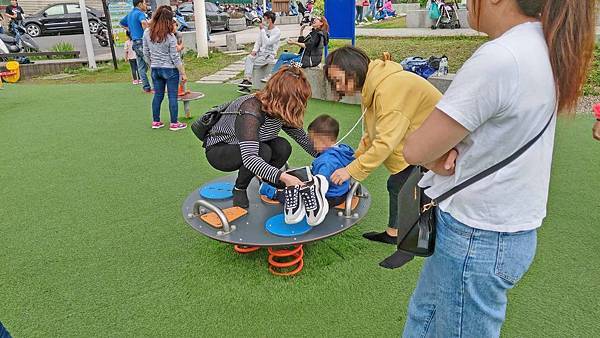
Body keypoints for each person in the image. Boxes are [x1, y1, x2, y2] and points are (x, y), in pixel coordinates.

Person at [401, 0, 595, 336]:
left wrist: (433, 155)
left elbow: (416, 149)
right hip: (502, 228)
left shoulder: (501, 57)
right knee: (425, 319)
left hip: (476, 235)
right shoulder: (544, 44)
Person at [324, 47, 442, 267]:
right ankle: (394, 232)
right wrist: (354, 161)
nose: (337, 87)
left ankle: (412, 246)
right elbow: (371, 134)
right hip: (418, 140)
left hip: (439, 144)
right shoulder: (373, 87)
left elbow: (384, 142)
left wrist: (351, 171)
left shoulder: (389, 89)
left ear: (353, 70)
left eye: (338, 80)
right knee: (398, 184)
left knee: (412, 188)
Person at [203, 65, 317, 208]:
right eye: (297, 100)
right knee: (262, 152)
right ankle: (239, 188)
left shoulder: (281, 109)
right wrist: (284, 177)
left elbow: (303, 138)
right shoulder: (250, 109)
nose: (300, 105)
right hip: (220, 150)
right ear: (283, 97)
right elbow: (250, 158)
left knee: (283, 146)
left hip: (254, 145)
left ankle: (267, 181)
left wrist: (328, 154)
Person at [260, 114, 355, 207]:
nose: (312, 145)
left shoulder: (327, 161)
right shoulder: (342, 150)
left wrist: (302, 186)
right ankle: (280, 180)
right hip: (340, 192)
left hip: (330, 196)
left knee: (298, 197)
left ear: (325, 140)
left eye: (314, 142)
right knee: (300, 177)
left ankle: (276, 194)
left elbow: (319, 186)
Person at [143, 6, 187, 131]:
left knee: (158, 95)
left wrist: (151, 64)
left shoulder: (147, 32)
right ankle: (174, 123)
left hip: (155, 68)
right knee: (172, 96)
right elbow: (175, 57)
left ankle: (156, 121)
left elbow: (145, 52)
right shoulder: (170, 37)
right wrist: (182, 73)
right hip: (170, 69)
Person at [263, 15, 329, 81]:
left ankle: (276, 79)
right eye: (315, 19)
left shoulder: (318, 34)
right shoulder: (314, 32)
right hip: (304, 55)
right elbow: (304, 42)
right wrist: (301, 31)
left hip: (309, 60)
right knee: (283, 55)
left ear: (321, 23)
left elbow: (307, 46)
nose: (314, 20)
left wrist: (294, 43)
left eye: (317, 19)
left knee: (290, 63)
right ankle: (272, 76)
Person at [238, 11, 281, 94]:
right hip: (260, 53)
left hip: (269, 55)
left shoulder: (276, 32)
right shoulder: (264, 30)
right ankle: (247, 80)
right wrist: (254, 50)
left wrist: (262, 31)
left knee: (251, 64)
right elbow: (259, 41)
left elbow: (267, 42)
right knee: (249, 58)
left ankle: (248, 82)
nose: (263, 22)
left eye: (265, 20)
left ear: (270, 20)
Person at [120, 0, 152, 93]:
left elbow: (121, 23)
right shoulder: (140, 13)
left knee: (141, 67)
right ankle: (156, 87)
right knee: (151, 64)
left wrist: (130, 29)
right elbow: (143, 23)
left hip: (135, 42)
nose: (146, 5)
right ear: (140, 4)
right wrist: (148, 34)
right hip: (142, 41)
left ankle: (146, 87)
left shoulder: (130, 14)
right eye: (145, 3)